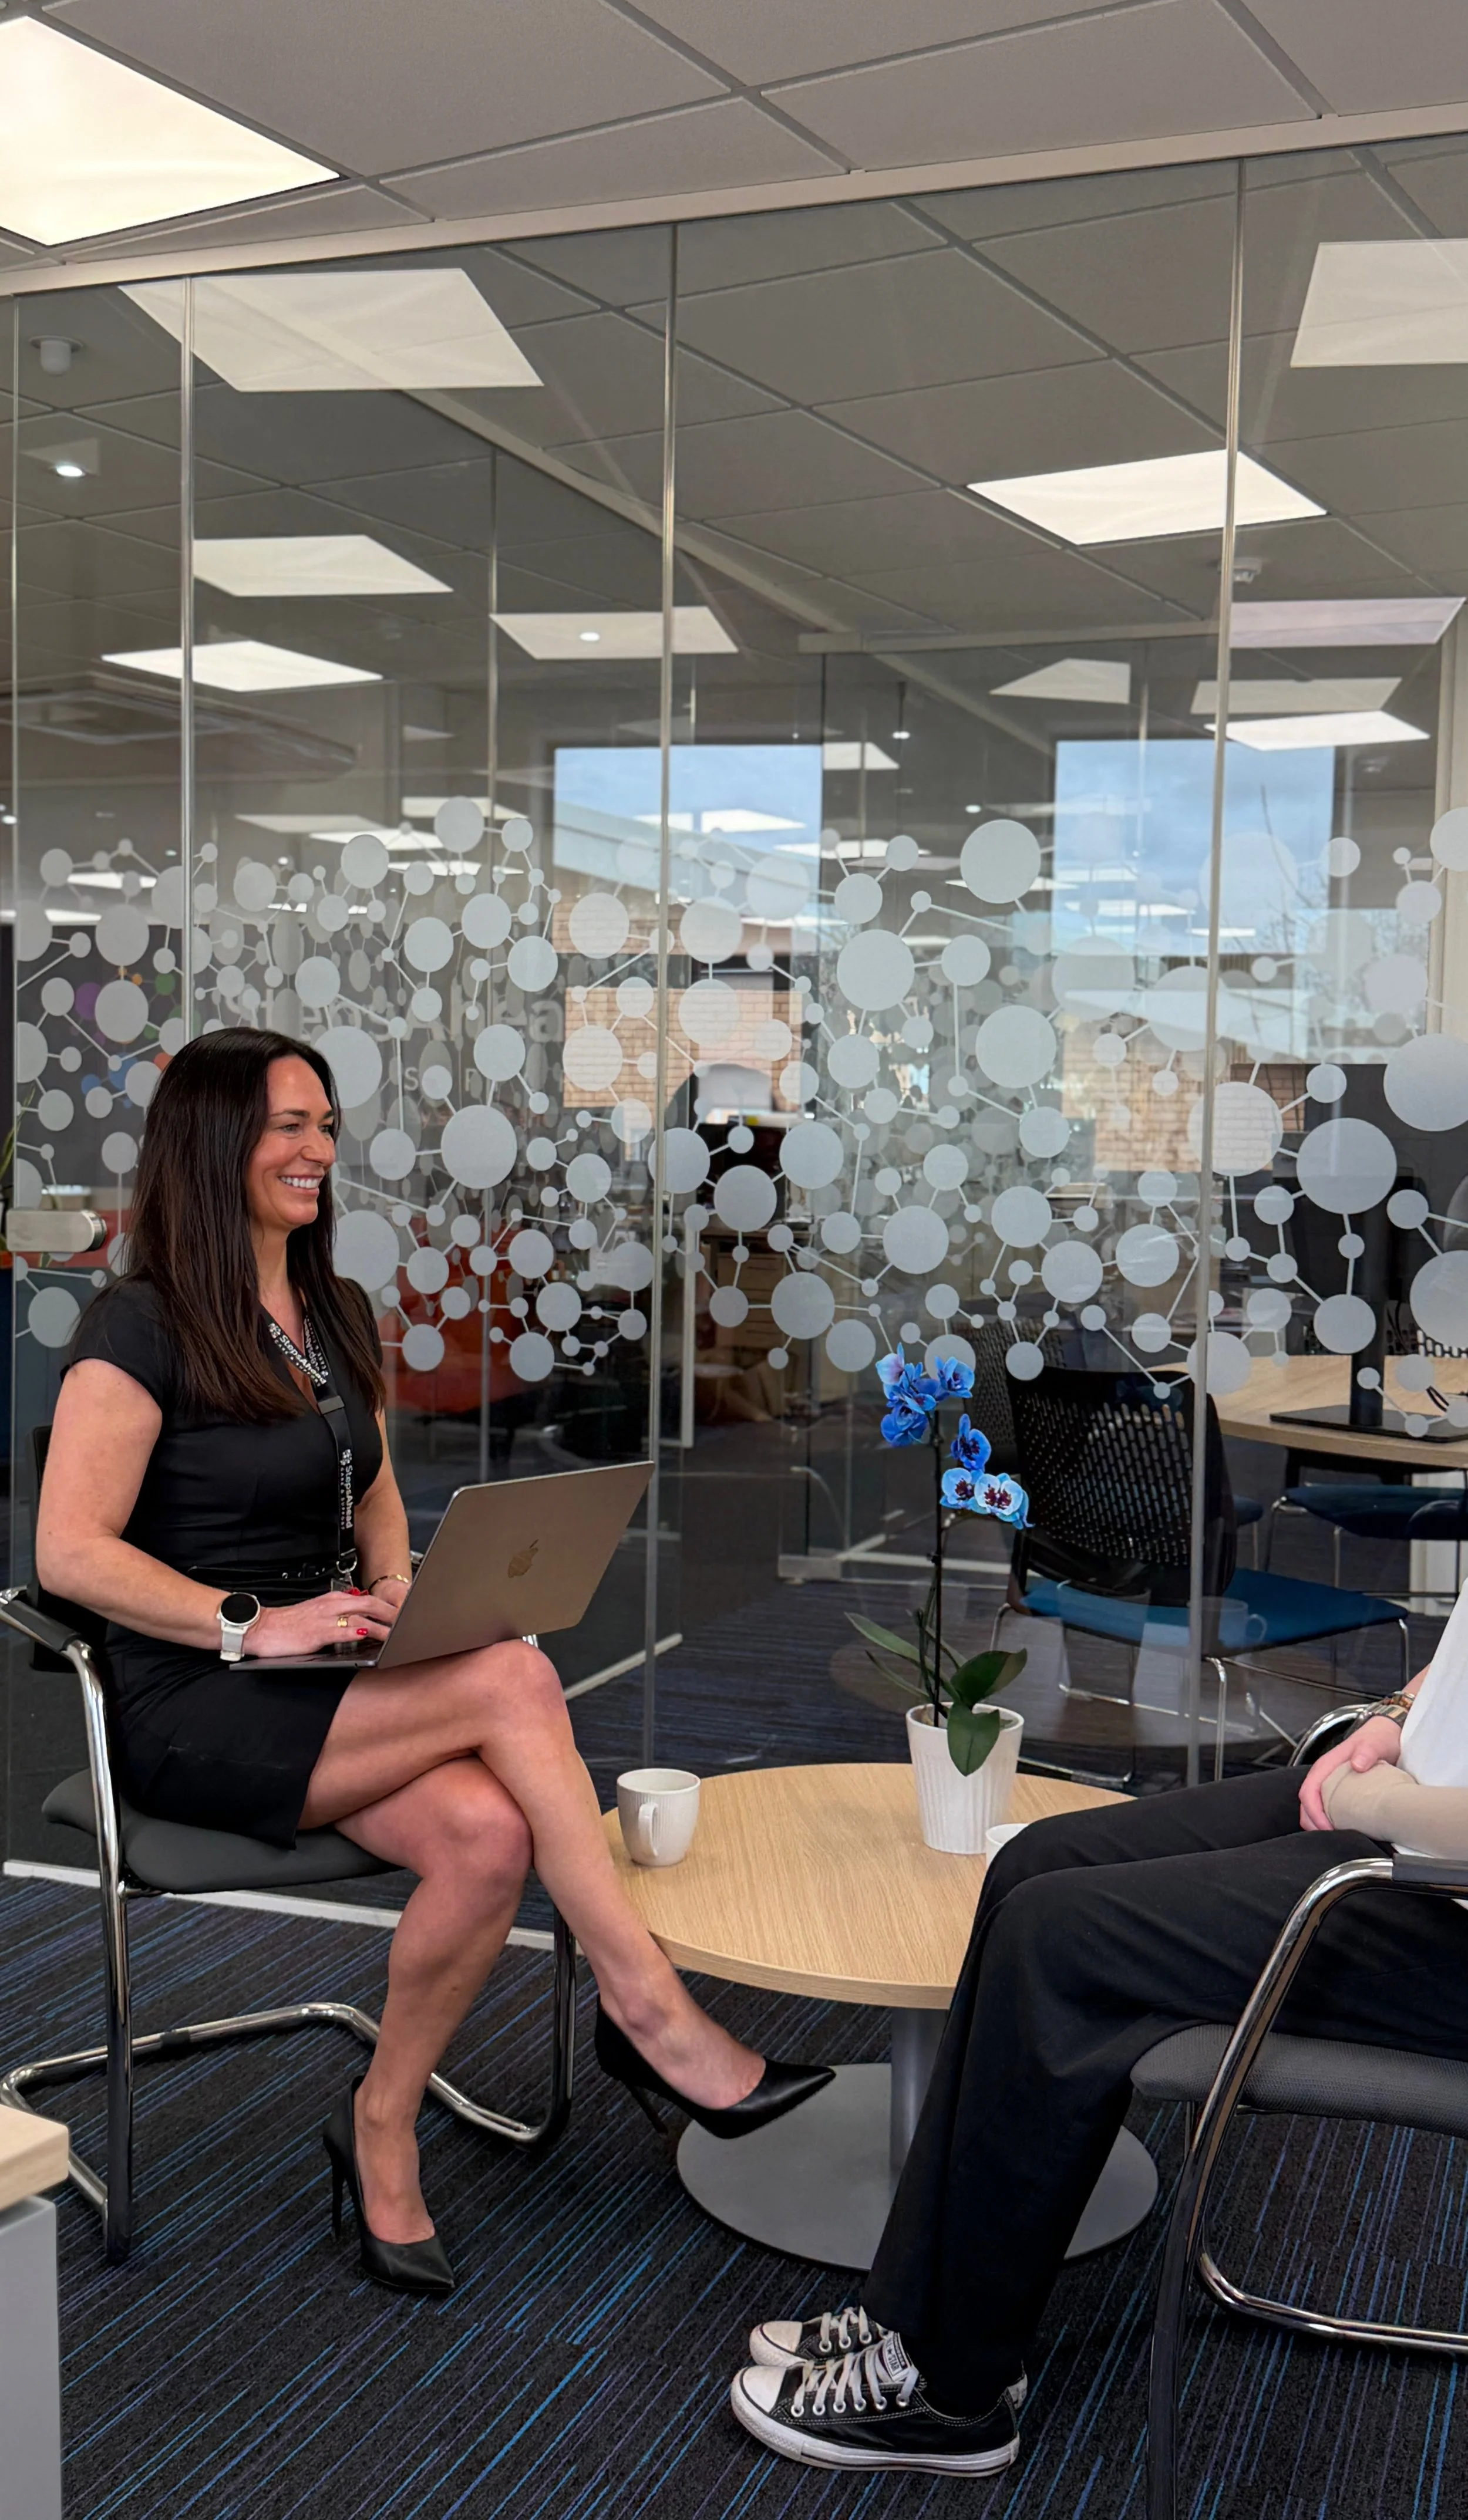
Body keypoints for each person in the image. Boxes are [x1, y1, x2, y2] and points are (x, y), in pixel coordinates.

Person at [39, 1027, 830, 2297]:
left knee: (484, 1835)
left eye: (324, 1124)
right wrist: (256, 1620)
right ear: (211, 1142)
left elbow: (380, 1495)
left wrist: (403, 1585)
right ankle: (650, 2009)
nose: (318, 1149)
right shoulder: (138, 1326)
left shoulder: (330, 1304)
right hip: (196, 1692)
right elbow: (69, 1552)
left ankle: (380, 2120)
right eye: (288, 1125)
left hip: (325, 1670)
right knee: (514, 1679)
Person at [729, 1644, 1468, 2477]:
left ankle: (949, 2390)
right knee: (1035, 1863)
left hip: (1443, 1895)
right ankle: (913, 2306)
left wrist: (1383, 1800)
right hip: (1405, 1810)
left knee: (1059, 1940)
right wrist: (1394, 1719)